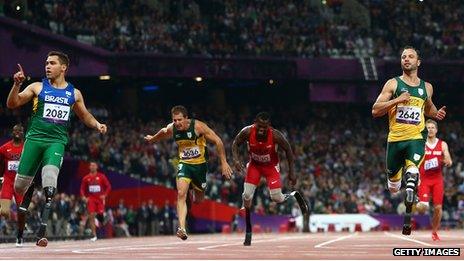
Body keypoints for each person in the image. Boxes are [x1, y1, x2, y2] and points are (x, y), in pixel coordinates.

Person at [7, 51, 108, 247]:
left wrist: (97, 125)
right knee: (19, 187)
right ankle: (30, 188)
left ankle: (41, 232)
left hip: (56, 142)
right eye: (46, 63)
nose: (47, 66)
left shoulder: (74, 93)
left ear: (63, 68)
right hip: (34, 140)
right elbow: (13, 103)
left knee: (50, 180)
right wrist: (17, 84)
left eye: (52, 63)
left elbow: (85, 115)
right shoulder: (37, 87)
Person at [372, 46, 446, 235]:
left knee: (413, 168)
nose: (406, 59)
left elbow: (428, 108)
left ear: (418, 62)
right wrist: (397, 101)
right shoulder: (393, 84)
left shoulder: (426, 87)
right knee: (394, 186)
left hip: (416, 137)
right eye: (403, 56)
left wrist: (436, 113)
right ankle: (405, 184)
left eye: (410, 56)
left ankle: (412, 184)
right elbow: (375, 110)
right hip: (395, 140)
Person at [144, 105, 232, 240]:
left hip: (200, 166)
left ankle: (192, 190)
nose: (177, 123)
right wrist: (153, 139)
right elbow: (163, 132)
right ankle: (182, 228)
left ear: (186, 118)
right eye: (175, 120)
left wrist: (224, 162)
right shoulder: (173, 128)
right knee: (180, 194)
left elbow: (218, 141)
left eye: (180, 120)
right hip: (184, 164)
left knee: (198, 201)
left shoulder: (198, 127)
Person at [232, 112, 308, 246]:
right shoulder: (247, 131)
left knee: (276, 198)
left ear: (269, 126)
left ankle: (294, 195)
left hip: (271, 167)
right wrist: (236, 160)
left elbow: (288, 150)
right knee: (247, 195)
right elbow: (235, 143)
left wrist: (292, 172)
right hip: (254, 166)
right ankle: (248, 231)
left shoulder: (276, 135)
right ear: (255, 123)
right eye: (260, 126)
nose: (262, 129)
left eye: (265, 127)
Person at [416, 120, 452, 241]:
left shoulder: (442, 144)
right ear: (425, 130)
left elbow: (449, 159)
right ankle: (418, 201)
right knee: (423, 209)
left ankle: (435, 232)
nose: (430, 129)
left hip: (437, 180)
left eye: (432, 127)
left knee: (438, 208)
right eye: (428, 128)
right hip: (424, 180)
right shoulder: (421, 144)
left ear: (436, 130)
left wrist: (447, 160)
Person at [0, 124, 25, 246]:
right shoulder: (4, 148)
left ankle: (20, 236)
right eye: (15, 130)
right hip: (8, 181)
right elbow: (0, 164)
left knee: (22, 211)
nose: (17, 132)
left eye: (20, 131)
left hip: (21, 181)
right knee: (4, 211)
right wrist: (0, 178)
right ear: (12, 132)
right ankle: (9, 222)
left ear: (23, 133)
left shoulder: (27, 148)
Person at [80, 161, 111, 241]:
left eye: (94, 165)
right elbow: (82, 189)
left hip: (100, 200)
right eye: (91, 165)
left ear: (97, 167)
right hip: (91, 200)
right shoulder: (86, 178)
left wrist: (105, 195)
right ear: (89, 167)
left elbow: (108, 186)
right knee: (91, 216)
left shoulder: (101, 176)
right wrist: (84, 197)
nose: (92, 167)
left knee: (100, 215)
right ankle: (94, 235)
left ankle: (102, 223)